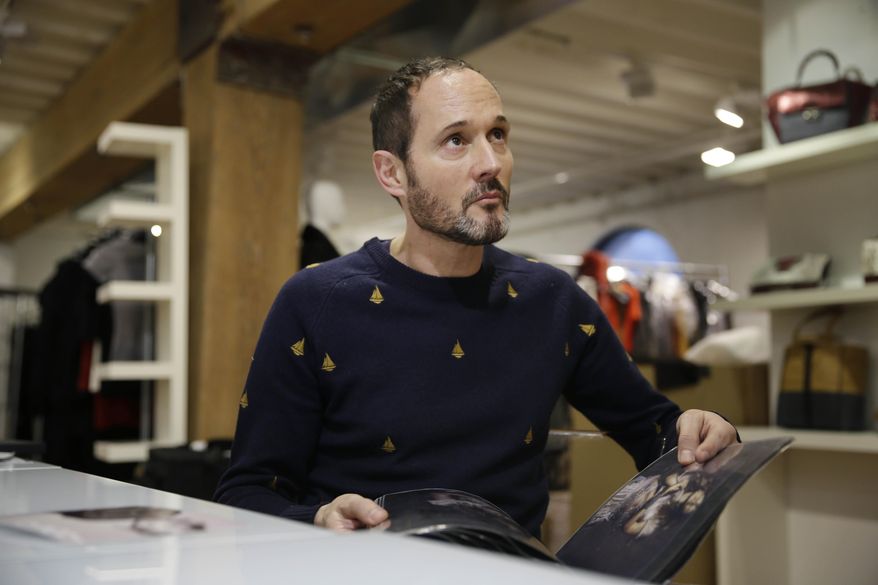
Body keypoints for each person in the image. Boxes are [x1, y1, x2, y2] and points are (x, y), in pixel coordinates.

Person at [214, 56, 738, 538]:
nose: (490, 162)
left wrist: (699, 430)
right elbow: (247, 494)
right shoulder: (316, 302)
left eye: (499, 134)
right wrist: (318, 518)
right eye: (456, 141)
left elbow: (657, 432)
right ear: (392, 173)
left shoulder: (553, 301)